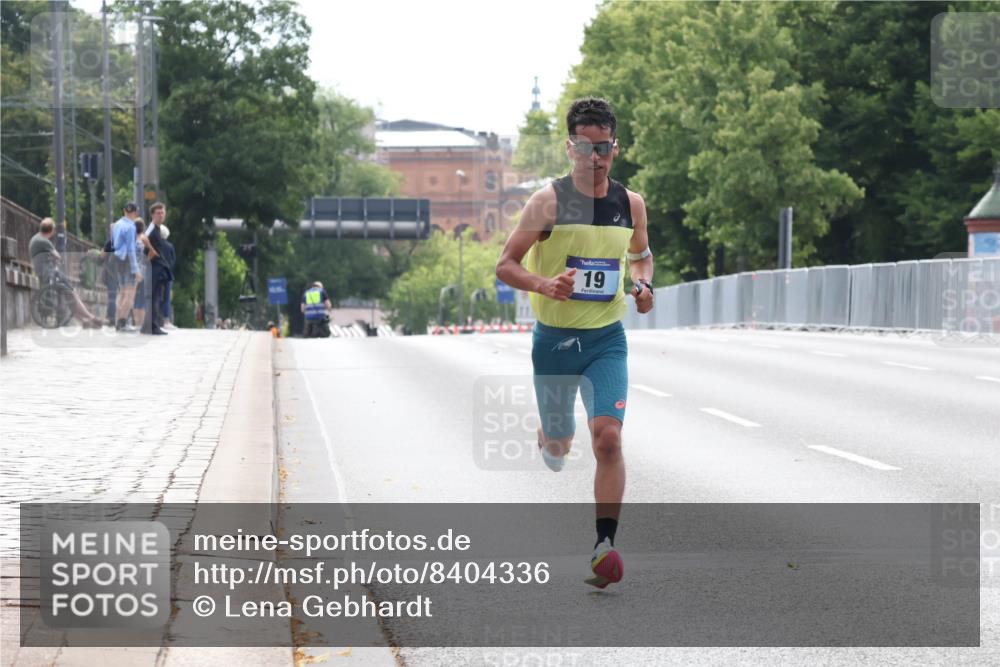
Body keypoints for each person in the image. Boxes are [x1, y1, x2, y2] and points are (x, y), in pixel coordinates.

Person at [495, 97, 654, 589]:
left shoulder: (630, 204)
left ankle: (603, 544)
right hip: (556, 341)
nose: (594, 157)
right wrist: (544, 285)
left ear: (615, 147)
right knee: (561, 444)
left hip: (607, 338)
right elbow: (505, 264)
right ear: (570, 148)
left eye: (602, 147)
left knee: (608, 437)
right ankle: (549, 434)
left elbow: (642, 257)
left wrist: (644, 288)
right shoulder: (547, 202)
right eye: (584, 147)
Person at [28, 218, 104, 328]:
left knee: (70, 295)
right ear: (52, 231)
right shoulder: (44, 241)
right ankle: (90, 317)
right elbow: (58, 256)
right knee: (72, 294)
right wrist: (56, 258)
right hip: (50, 273)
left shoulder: (35, 238)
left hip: (42, 272)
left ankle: (85, 320)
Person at [110, 203, 141, 331]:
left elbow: (113, 243)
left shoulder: (116, 225)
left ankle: (118, 321)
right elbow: (131, 249)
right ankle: (122, 324)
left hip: (117, 259)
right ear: (136, 212)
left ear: (124, 210)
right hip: (127, 260)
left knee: (122, 292)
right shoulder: (131, 227)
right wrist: (136, 270)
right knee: (130, 294)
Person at [143, 203, 173, 336]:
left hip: (158, 267)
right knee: (154, 297)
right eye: (158, 213)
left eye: (162, 212)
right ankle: (152, 326)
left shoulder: (158, 229)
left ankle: (150, 325)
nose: (161, 215)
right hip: (154, 268)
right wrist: (152, 250)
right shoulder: (151, 228)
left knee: (156, 297)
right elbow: (143, 238)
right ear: (152, 215)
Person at [158, 222, 177, 329]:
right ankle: (166, 320)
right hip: (168, 275)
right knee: (166, 298)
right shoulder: (170, 246)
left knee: (155, 297)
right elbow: (173, 261)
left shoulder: (155, 245)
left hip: (157, 275)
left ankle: (154, 318)